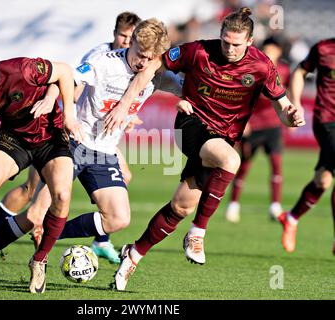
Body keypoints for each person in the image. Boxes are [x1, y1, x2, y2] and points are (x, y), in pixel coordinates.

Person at [0, 18, 182, 293]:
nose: (142, 63)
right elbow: (67, 76)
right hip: (75, 143)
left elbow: (188, 86)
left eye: (150, 58)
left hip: (104, 152)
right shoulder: (105, 62)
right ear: (131, 42)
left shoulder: (157, 73)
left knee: (118, 218)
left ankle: (53, 235)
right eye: (139, 54)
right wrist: (54, 98)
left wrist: (187, 99)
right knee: (35, 214)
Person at [109, 7, 306, 291]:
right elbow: (155, 64)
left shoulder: (262, 66)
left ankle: (133, 254)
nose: (229, 48)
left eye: (236, 44)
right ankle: (198, 234)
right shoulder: (198, 51)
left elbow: (283, 107)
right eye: (225, 41)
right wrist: (125, 103)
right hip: (191, 125)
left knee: (181, 206)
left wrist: (292, 116)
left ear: (250, 41)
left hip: (222, 138)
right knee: (231, 160)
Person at [0, 12, 142, 264]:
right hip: (70, 137)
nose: (125, 40)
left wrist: (126, 113)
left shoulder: (144, 68)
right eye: (123, 35)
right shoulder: (100, 57)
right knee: (31, 196)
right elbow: (69, 79)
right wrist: (54, 100)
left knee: (124, 182)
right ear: (114, 34)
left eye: (130, 37)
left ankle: (97, 240)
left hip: (101, 145)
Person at [0, 47, 83, 293]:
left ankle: (39, 260)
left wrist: (69, 114)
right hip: (15, 139)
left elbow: (65, 72)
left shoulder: (23, 69)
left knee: (62, 197)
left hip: (51, 138)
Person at [277, 38, 335, 254]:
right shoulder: (324, 49)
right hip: (327, 119)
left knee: (323, 179)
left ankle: (290, 217)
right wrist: (297, 103)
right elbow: (300, 72)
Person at [225, 36, 291, 223]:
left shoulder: (285, 70)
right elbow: (240, 96)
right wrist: (241, 121)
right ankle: (233, 205)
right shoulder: (253, 69)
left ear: (279, 51)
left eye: (273, 50)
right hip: (252, 125)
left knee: (276, 164)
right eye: (267, 50)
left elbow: (288, 93)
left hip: (273, 125)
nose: (270, 53)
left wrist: (291, 115)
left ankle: (275, 206)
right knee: (243, 166)